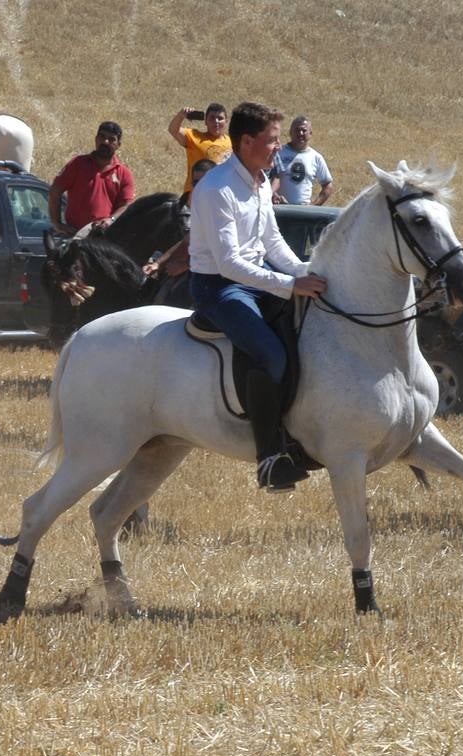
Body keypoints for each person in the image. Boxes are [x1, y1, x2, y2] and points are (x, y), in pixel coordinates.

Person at [187, 101, 327, 492]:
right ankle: (269, 457)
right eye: (272, 141)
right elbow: (229, 264)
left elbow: (272, 241)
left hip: (257, 279)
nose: (278, 149)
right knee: (271, 354)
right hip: (218, 287)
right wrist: (287, 285)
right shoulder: (215, 189)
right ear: (246, 142)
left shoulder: (262, 181)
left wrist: (304, 270)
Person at [48, 121, 135, 237]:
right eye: (102, 137)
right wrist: (57, 224)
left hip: (103, 238)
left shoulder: (124, 173)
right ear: (96, 139)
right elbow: (55, 191)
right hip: (73, 235)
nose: (105, 142)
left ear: (118, 144)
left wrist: (111, 219)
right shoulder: (77, 164)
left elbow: (126, 205)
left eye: (111, 139)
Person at [270, 116, 334, 206]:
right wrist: (273, 195)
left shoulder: (316, 157)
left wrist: (314, 207)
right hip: (279, 208)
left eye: (304, 130)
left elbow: (328, 185)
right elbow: (266, 178)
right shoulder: (278, 153)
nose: (300, 133)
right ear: (290, 132)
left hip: (303, 212)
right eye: (297, 130)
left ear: (310, 133)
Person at [168, 103, 231, 193]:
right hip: (194, 195)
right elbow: (173, 130)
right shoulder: (195, 137)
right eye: (212, 118)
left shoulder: (233, 143)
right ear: (205, 121)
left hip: (220, 194)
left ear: (226, 121)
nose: (216, 121)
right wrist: (181, 115)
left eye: (220, 118)